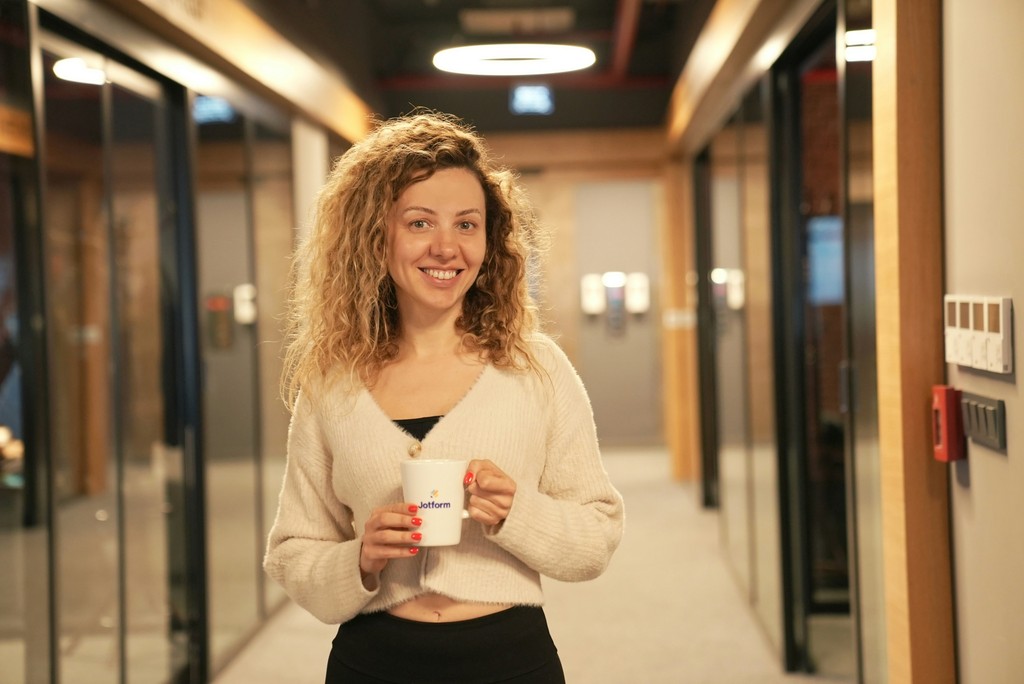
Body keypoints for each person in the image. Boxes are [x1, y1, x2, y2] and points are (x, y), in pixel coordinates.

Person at [264, 111, 624, 683]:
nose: (445, 247)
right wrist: (358, 557)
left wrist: (518, 513)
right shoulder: (333, 383)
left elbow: (596, 537)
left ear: (489, 239)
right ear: (375, 236)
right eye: (419, 222)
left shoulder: (536, 369)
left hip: (510, 659)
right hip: (373, 661)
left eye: (466, 224)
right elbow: (292, 550)